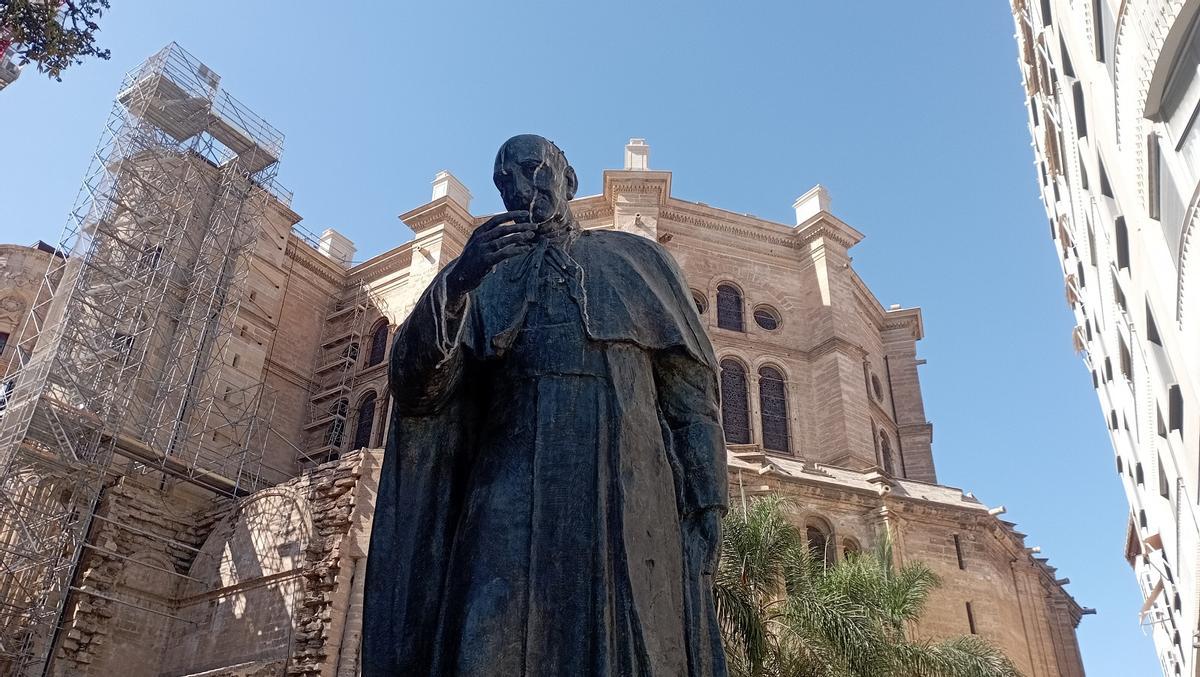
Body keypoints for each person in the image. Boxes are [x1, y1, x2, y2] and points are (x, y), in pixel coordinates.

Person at [364, 134, 728, 676]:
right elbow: (418, 390)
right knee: (486, 639)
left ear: (568, 178)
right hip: (508, 483)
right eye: (505, 180)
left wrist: (707, 501)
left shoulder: (638, 261)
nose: (520, 187)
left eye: (533, 170)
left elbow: (690, 398)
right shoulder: (481, 279)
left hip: (627, 485)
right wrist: (460, 278)